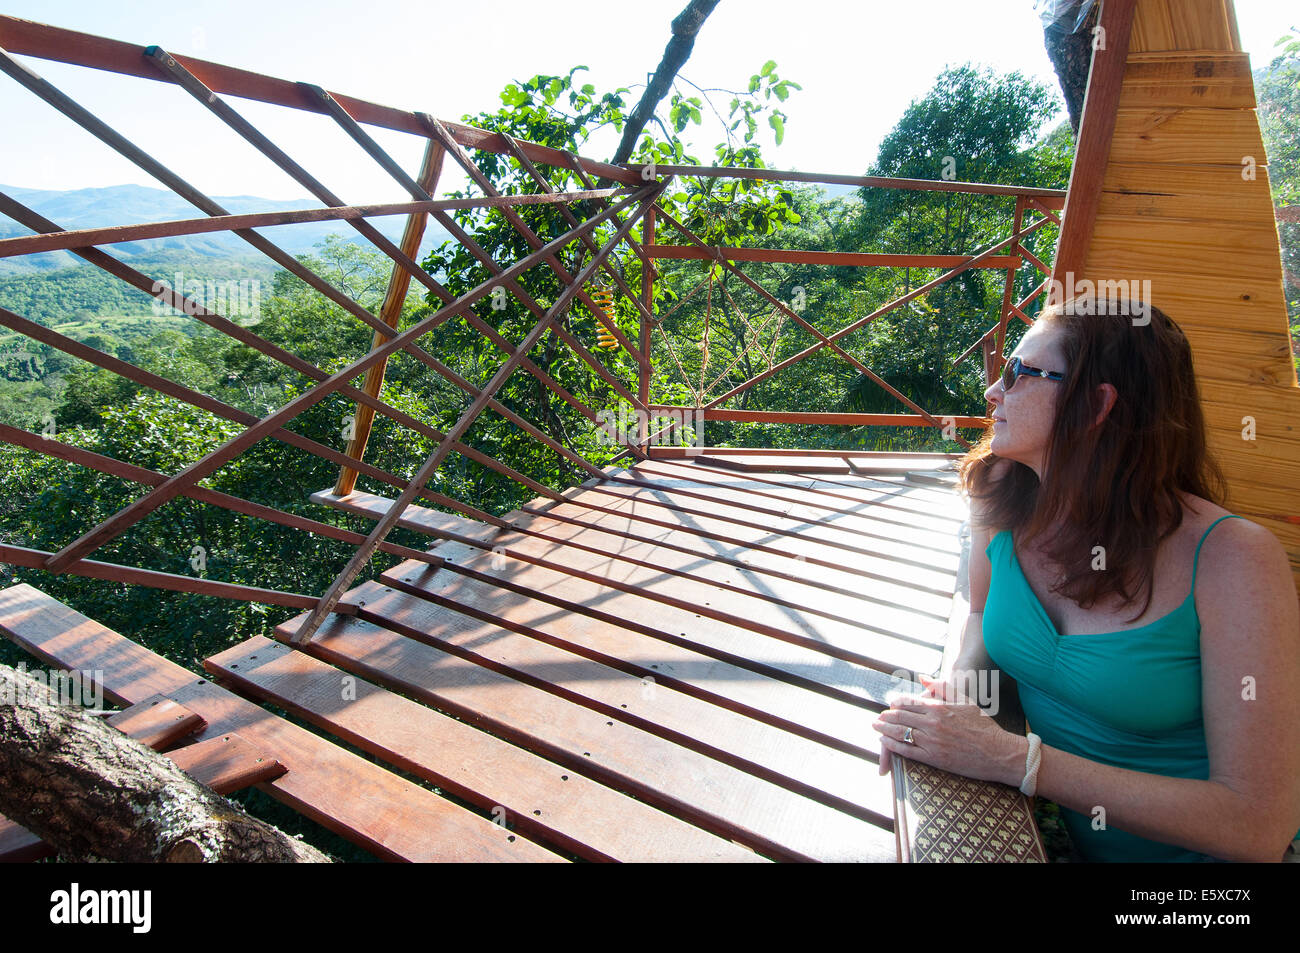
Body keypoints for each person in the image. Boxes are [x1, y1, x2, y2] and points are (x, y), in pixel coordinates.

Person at [872, 299, 1300, 862]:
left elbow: (1257, 828)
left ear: (1097, 404)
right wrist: (959, 693)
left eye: (1017, 374)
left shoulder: (1233, 560)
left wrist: (1014, 760)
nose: (992, 393)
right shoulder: (1004, 493)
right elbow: (978, 612)